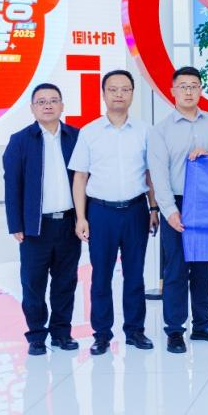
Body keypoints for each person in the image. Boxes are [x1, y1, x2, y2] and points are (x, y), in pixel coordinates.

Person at [70, 70, 159, 356]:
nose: (119, 94)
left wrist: (153, 208)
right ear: (103, 93)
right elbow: (80, 177)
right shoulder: (89, 132)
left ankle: (135, 331)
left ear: (132, 93)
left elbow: (150, 174)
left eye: (125, 89)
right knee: (101, 276)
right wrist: (81, 217)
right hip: (100, 213)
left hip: (135, 211)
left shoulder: (145, 131)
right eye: (113, 89)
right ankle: (101, 335)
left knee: (135, 275)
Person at [147, 66, 208, 354]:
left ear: (200, 90)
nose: (188, 91)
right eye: (183, 86)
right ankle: (174, 330)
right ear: (172, 91)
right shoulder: (161, 130)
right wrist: (169, 210)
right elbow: (158, 174)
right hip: (177, 202)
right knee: (175, 269)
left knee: (204, 268)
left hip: (207, 202)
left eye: (194, 85)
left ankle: (202, 324)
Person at [3, 83, 81, 356]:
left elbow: (86, 179)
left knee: (65, 282)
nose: (48, 105)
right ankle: (36, 335)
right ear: (33, 108)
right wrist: (16, 224)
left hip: (69, 224)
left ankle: (61, 333)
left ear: (62, 106)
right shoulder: (20, 140)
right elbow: (12, 185)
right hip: (35, 226)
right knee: (33, 284)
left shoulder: (76, 137)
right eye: (41, 101)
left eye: (53, 100)